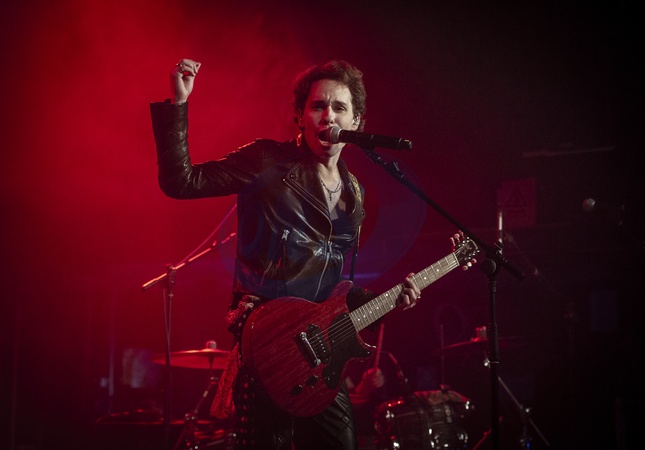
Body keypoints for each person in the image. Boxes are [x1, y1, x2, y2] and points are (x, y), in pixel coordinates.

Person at [150, 58, 421, 450]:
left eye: (339, 107)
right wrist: (178, 103)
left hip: (320, 357)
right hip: (269, 343)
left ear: (357, 121)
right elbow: (181, 182)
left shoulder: (355, 193)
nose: (329, 116)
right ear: (300, 116)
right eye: (318, 106)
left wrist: (394, 298)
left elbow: (338, 289)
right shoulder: (267, 160)